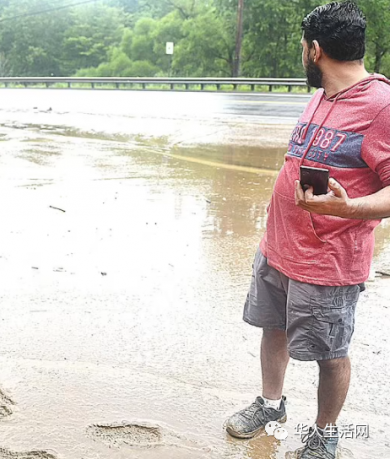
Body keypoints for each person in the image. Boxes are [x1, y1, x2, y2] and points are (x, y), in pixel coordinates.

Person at [224, 2, 390, 458]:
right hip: (278, 249)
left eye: (303, 47)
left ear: (314, 50)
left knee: (330, 352)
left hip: (328, 263)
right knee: (272, 328)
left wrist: (348, 207)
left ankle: (325, 433)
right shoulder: (322, 94)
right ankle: (270, 404)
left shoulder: (381, 106)